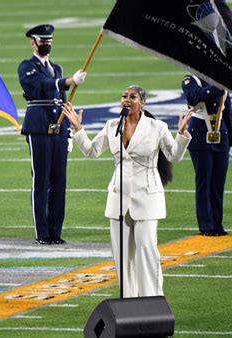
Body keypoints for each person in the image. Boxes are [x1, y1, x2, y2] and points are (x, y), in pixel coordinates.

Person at [62, 85, 192, 297]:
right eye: (124, 96)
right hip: (118, 198)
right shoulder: (112, 125)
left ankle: (152, 300)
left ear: (142, 102)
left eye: (133, 97)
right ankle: (128, 302)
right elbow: (91, 151)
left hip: (147, 197)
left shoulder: (156, 127)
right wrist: (78, 128)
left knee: (147, 252)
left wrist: (182, 134)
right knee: (122, 258)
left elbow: (174, 155)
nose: (127, 100)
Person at [18, 24, 87, 245]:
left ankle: (56, 232)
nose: (46, 43)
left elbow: (62, 100)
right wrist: (69, 81)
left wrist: (68, 131)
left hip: (59, 129)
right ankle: (42, 233)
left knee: (59, 181)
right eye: (42, 40)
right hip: (38, 127)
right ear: (33, 42)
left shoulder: (56, 67)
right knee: (41, 179)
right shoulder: (27, 67)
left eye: (49, 40)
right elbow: (43, 85)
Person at [182, 75, 232, 236]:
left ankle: (217, 224)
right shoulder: (190, 80)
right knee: (204, 182)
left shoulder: (219, 82)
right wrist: (218, 86)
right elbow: (195, 97)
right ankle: (206, 226)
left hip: (221, 136)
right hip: (199, 137)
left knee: (218, 184)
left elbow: (227, 110)